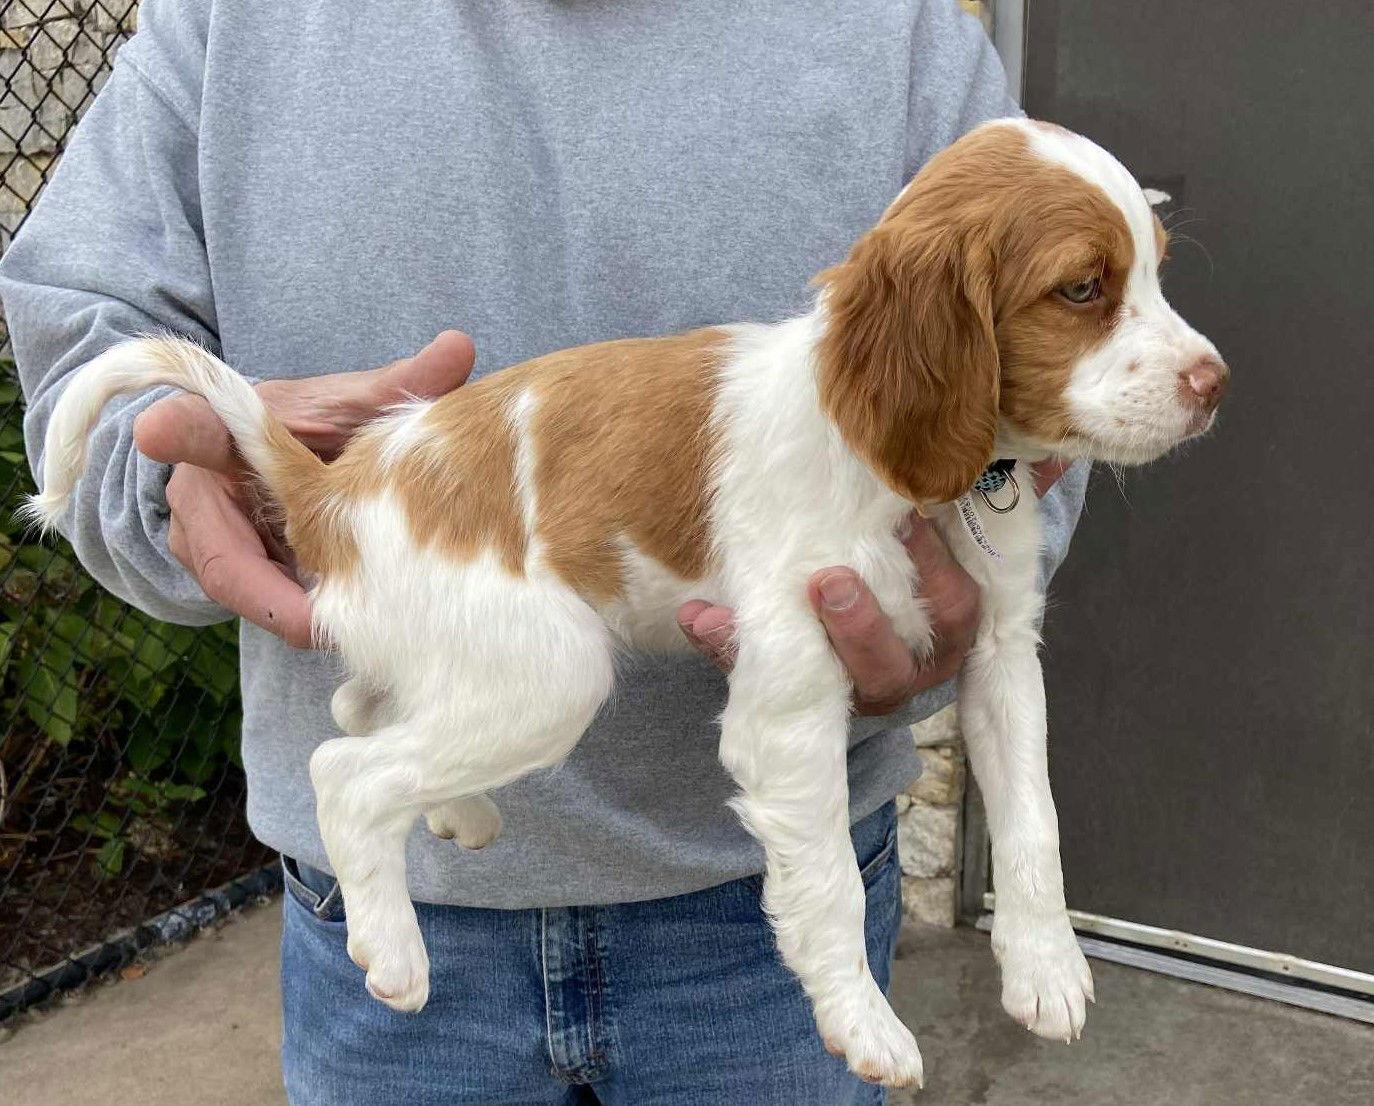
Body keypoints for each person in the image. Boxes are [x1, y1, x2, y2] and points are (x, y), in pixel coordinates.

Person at [1, 2, 1087, 1102]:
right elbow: (74, 314)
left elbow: (1047, 394)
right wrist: (169, 482)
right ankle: (389, 765)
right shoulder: (229, 22)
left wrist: (972, 574)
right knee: (556, 671)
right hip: (390, 900)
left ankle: (395, 730)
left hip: (746, 917)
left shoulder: (895, 31)